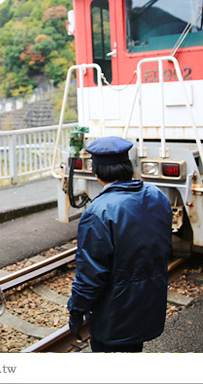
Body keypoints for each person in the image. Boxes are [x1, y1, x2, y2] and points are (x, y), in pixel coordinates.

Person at [67, 136, 172, 352]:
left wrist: (76, 311)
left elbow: (90, 276)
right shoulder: (156, 196)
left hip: (114, 316)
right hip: (148, 305)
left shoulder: (98, 212)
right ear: (128, 167)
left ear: (97, 174)